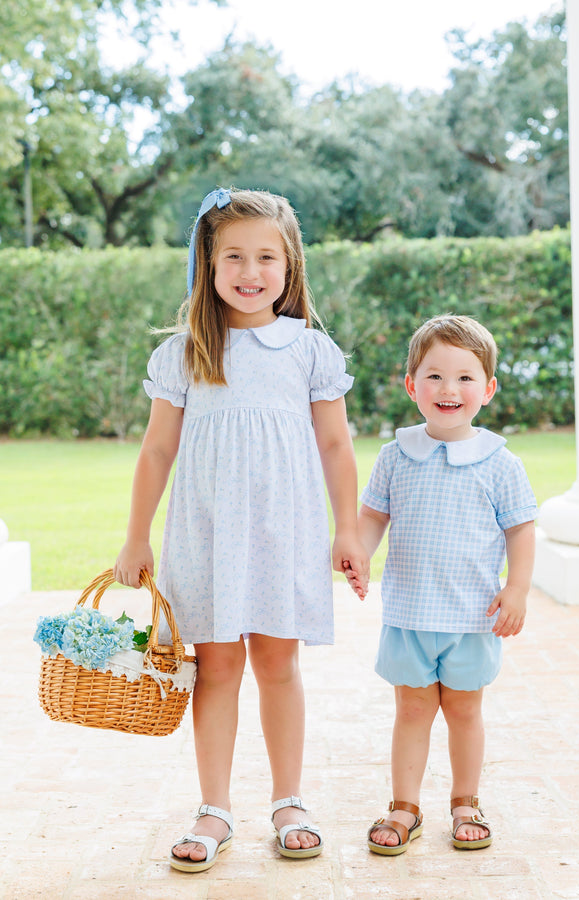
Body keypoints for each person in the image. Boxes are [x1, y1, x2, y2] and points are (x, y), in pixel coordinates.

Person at [113, 187, 369, 873]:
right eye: (233, 256)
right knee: (218, 668)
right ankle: (215, 808)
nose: (250, 271)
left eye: (266, 257)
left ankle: (289, 801)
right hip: (208, 534)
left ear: (290, 266)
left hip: (284, 532)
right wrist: (136, 536)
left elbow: (336, 446)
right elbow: (157, 451)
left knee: (279, 664)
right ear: (208, 261)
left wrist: (348, 530)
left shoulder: (309, 351)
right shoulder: (187, 353)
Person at [345, 314, 537, 854]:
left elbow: (521, 530)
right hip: (410, 614)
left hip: (472, 617)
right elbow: (373, 516)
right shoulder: (395, 455)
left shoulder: (500, 463)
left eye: (464, 377)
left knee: (465, 711)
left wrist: (517, 589)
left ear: (488, 389)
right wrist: (359, 551)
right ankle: (404, 805)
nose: (448, 389)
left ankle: (465, 801)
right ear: (412, 386)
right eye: (434, 376)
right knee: (411, 711)